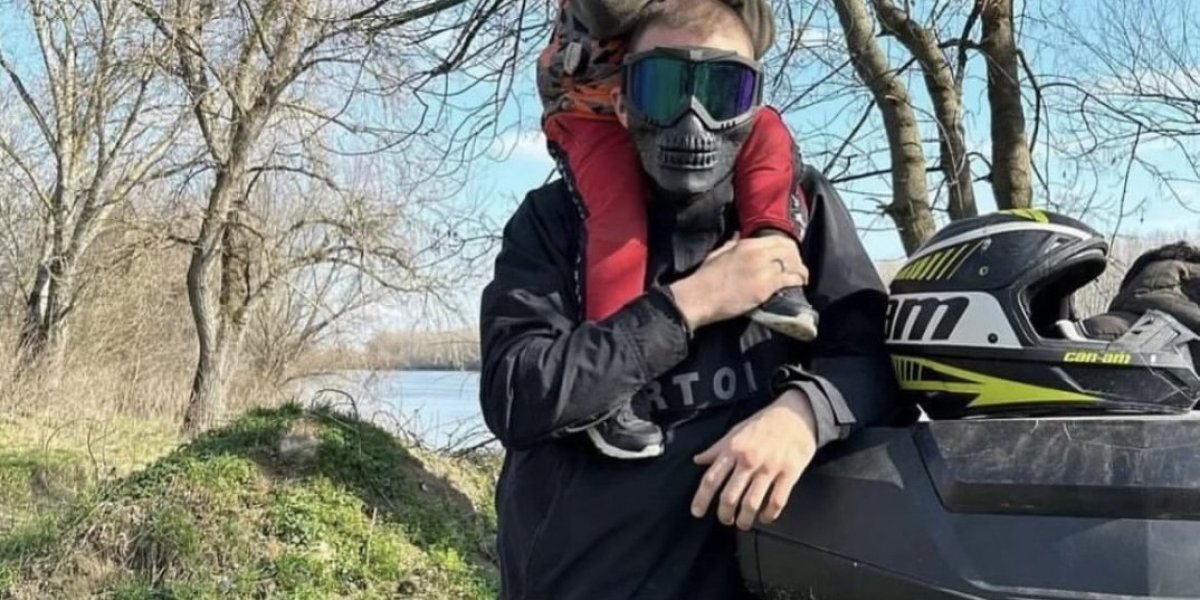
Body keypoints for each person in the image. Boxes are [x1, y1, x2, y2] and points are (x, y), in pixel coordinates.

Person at [479, 0, 909, 597]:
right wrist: (690, 304)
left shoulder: (801, 208)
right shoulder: (553, 222)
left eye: (722, 90)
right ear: (622, 103)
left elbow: (881, 362)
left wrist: (805, 415)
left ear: (755, 107)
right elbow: (517, 397)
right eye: (663, 87)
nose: (692, 117)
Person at [537, 0, 817, 459]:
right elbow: (608, 14)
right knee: (618, 222)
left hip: (696, 91)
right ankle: (611, 395)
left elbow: (756, 35)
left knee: (770, 136)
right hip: (593, 106)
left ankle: (774, 263)